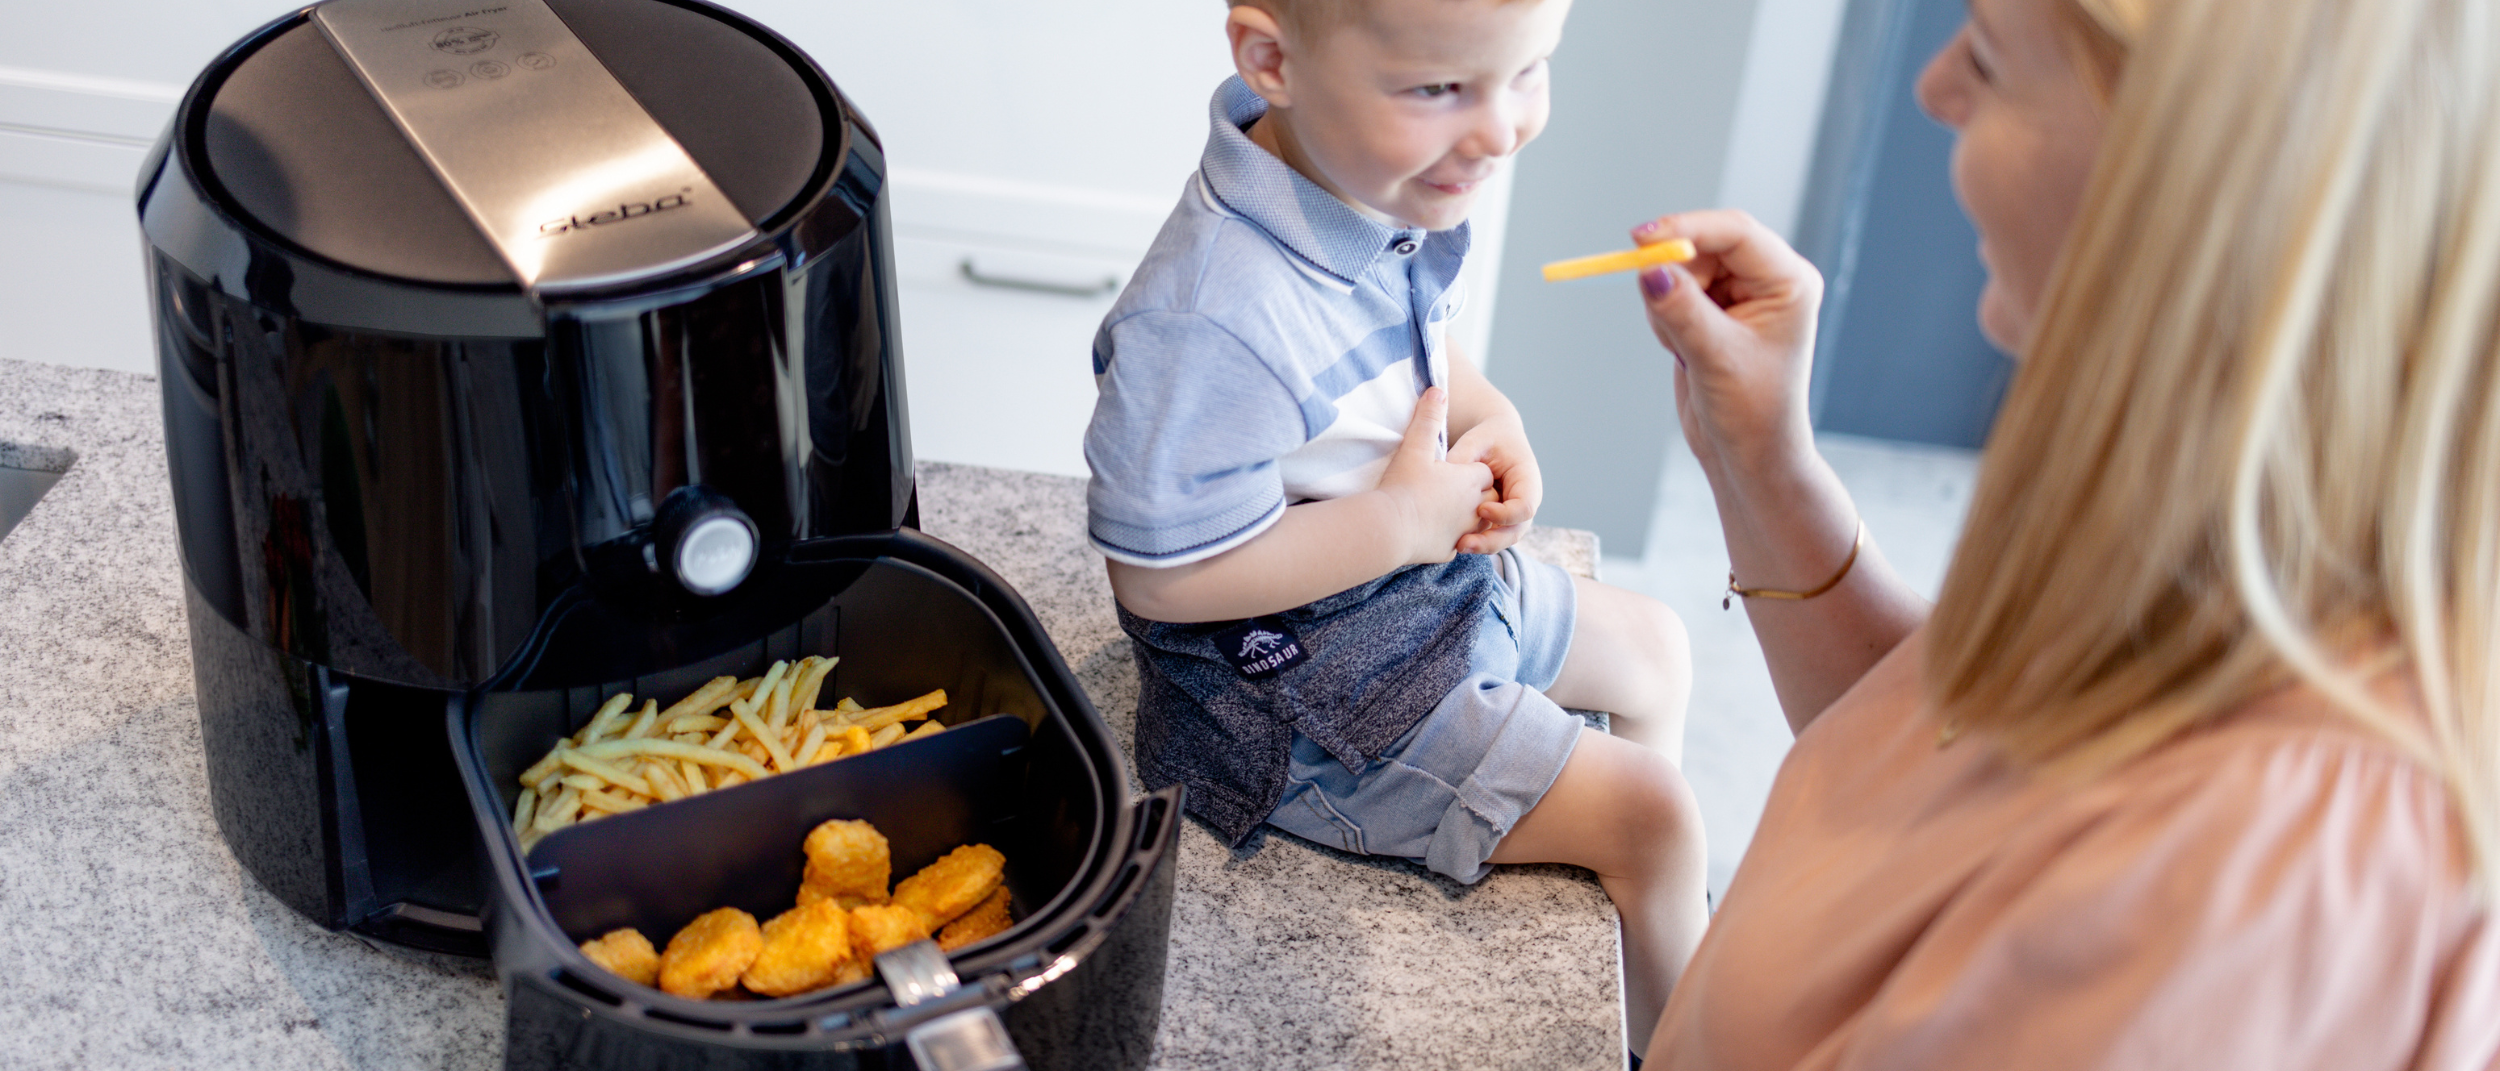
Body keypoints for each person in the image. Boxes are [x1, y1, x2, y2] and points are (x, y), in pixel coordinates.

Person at [1630, 0, 2500, 1063]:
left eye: (1988, 60)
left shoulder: (2242, 869)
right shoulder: (2216, 548)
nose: (1934, 87)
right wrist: (1760, 463)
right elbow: (1942, 770)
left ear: (2187, 175)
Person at [1081, 0, 1710, 1042]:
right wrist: (1399, 527)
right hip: (1294, 694)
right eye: (1438, 90)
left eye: (1528, 73)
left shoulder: (1363, 175)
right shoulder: (1208, 319)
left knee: (1658, 651)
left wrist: (1488, 415)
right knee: (1655, 817)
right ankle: (1675, 1037)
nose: (1499, 130)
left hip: (1404, 582)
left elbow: (1416, 330)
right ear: (1271, 60)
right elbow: (1158, 581)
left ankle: (1659, 934)